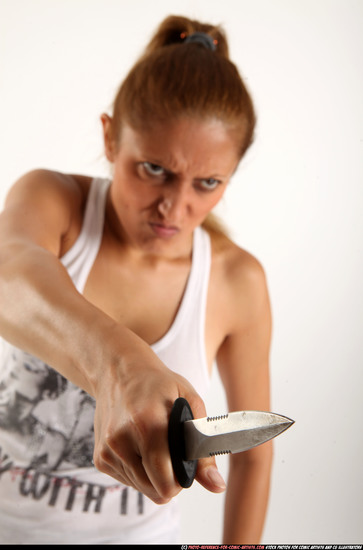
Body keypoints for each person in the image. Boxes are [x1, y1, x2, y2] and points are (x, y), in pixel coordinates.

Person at [0, 15, 272, 544]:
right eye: (153, 169)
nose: (174, 206)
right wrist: (121, 366)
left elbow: (254, 457)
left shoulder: (237, 281)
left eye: (207, 183)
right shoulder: (54, 204)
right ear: (109, 137)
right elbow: (7, 278)